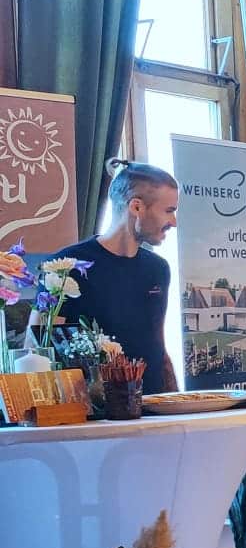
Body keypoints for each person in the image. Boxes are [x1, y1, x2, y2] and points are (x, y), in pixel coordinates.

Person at [57, 159, 179, 391]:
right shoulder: (66, 265)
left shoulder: (159, 268)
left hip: (154, 411)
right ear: (136, 207)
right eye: (169, 211)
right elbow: (37, 348)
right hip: (95, 415)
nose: (173, 222)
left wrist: (177, 405)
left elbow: (158, 346)